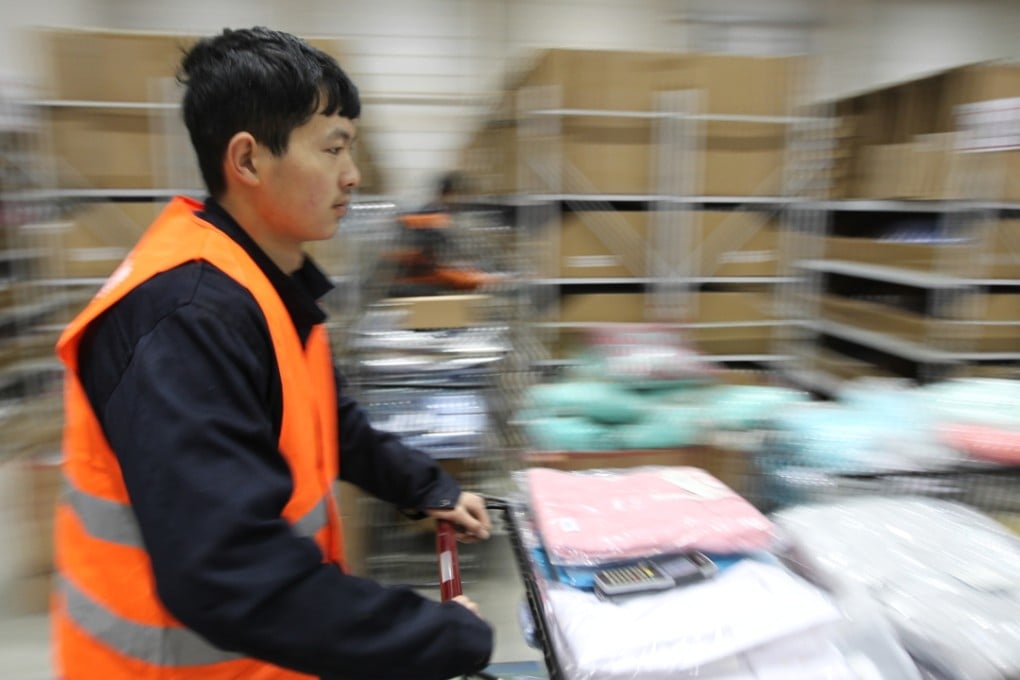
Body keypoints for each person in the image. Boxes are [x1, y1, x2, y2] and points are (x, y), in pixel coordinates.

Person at [52, 27, 494, 680]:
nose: (354, 174)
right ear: (249, 161)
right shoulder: (184, 318)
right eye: (333, 149)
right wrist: (443, 635)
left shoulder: (259, 284)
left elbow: (327, 423)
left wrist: (425, 484)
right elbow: (233, 573)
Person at [385, 171, 493, 297]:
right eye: (463, 195)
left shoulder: (437, 215)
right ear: (450, 194)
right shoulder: (432, 219)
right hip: (414, 288)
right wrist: (480, 277)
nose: (465, 201)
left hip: (419, 285)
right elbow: (438, 264)